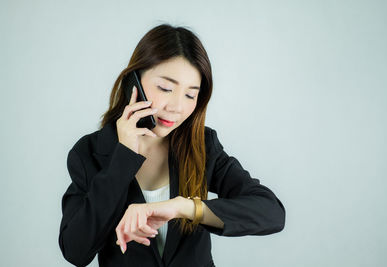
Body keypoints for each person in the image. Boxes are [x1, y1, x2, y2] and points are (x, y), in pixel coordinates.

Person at [58, 23, 286, 267]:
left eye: (190, 95)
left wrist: (184, 207)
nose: (177, 107)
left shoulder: (203, 146)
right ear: (133, 83)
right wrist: (123, 157)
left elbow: (271, 212)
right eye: (166, 88)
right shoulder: (89, 152)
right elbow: (75, 251)